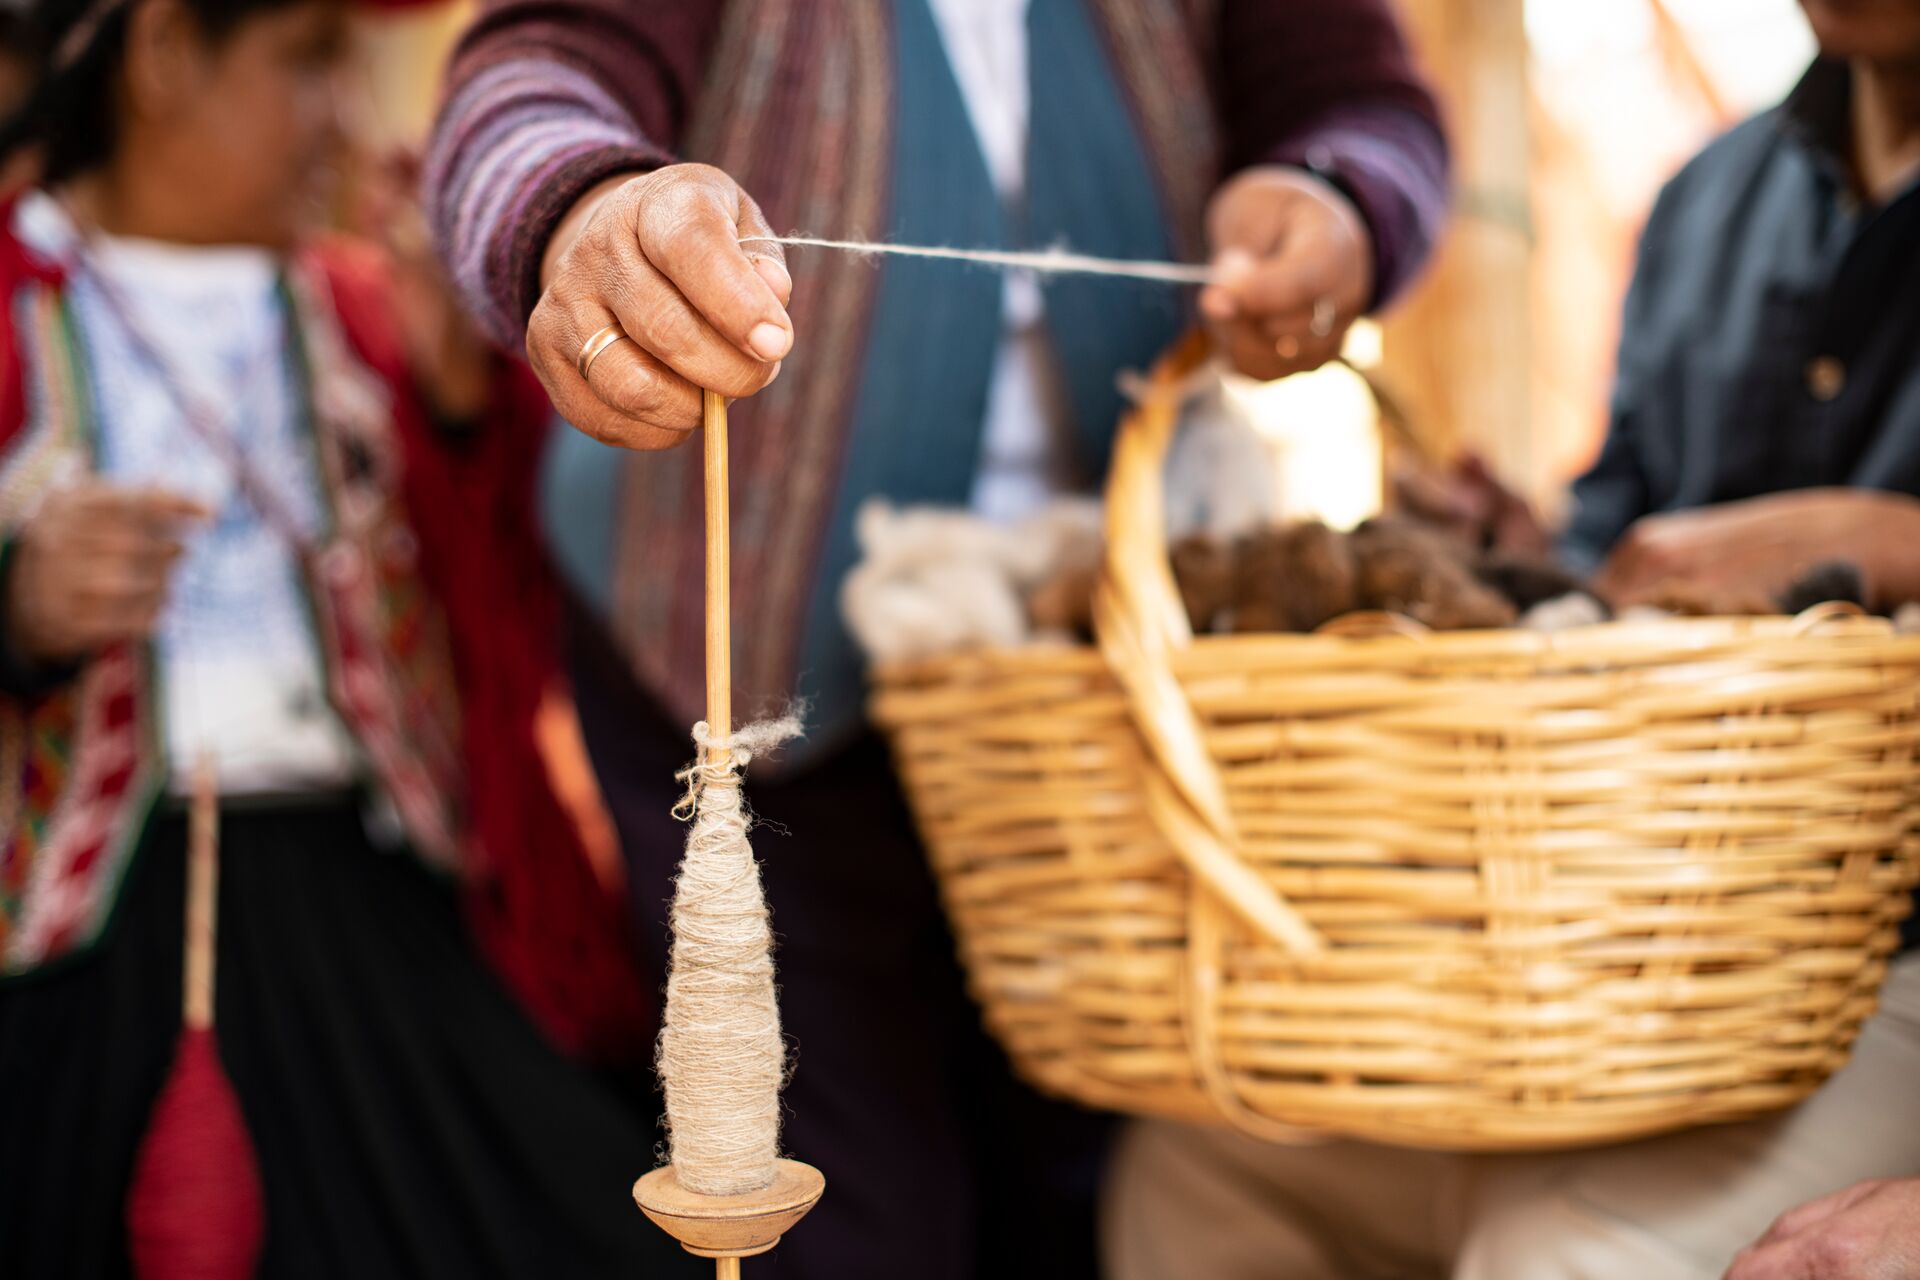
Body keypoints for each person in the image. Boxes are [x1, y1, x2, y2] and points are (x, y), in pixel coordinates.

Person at [426, 1, 1448, 1274]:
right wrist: (582, 214)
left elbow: (1370, 112)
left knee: (1090, 1182)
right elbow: (532, 77)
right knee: (856, 1217)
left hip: (1097, 677)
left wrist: (1333, 202)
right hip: (737, 645)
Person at [1102, 2, 1920, 1277]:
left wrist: (1878, 535)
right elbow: (1622, 556)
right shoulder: (1712, 198)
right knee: (1205, 1161)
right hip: (1660, 941)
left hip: (1885, 972)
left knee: (1563, 1248)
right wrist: (1513, 551)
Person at [0, 0, 693, 1272]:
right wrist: (16, 603)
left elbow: (505, 634)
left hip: (374, 911)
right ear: (160, 50)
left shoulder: (367, 312)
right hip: (77, 943)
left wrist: (462, 412)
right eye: (310, 60)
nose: (349, 116)